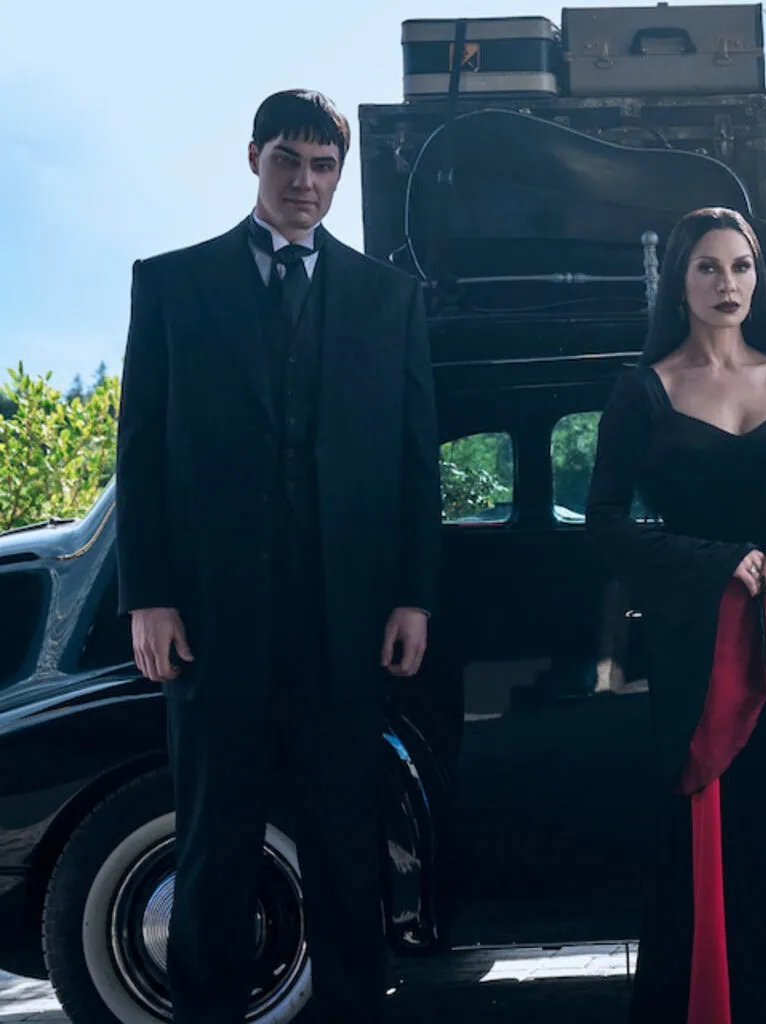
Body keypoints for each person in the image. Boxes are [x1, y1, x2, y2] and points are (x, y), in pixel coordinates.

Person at [115, 89, 439, 1023]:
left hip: (348, 622)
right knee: (214, 846)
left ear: (340, 173)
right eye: (287, 160)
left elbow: (416, 459)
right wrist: (149, 597)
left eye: (322, 165)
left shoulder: (389, 299)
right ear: (253, 158)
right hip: (212, 622)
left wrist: (413, 597)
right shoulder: (172, 285)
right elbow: (141, 452)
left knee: (347, 844)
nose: (305, 182)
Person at [584, 206, 766, 1024]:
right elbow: (604, 521)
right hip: (696, 657)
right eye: (707, 266)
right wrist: (714, 563)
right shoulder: (642, 389)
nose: (727, 283)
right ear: (680, 281)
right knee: (700, 845)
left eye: (741, 266)